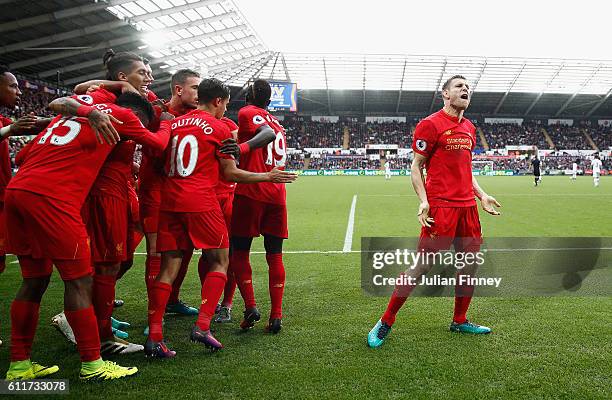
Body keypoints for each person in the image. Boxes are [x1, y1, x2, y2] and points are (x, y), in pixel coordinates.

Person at [4, 90, 170, 380]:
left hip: (18, 191)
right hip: (54, 198)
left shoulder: (73, 115)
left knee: (34, 280)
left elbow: (23, 154)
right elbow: (157, 142)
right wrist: (165, 122)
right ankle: (93, 365)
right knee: (80, 282)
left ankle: (19, 365)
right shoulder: (125, 116)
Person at [145, 78, 296, 357]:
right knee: (220, 260)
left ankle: (155, 336)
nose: (225, 110)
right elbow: (230, 173)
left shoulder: (173, 124)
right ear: (217, 101)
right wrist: (268, 175)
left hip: (169, 202)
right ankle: (203, 326)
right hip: (202, 201)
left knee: (168, 266)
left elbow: (157, 159)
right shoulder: (219, 127)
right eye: (225, 104)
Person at [367, 75, 501, 348]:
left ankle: (460, 320)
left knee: (470, 265)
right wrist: (423, 200)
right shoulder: (430, 125)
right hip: (441, 208)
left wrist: (482, 194)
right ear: (445, 94)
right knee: (422, 266)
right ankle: (385, 321)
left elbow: (466, 170)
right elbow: (416, 166)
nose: (465, 90)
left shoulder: (470, 128)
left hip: (468, 209)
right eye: (459, 86)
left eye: (468, 87)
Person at [139, 69, 203, 336]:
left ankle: (173, 300)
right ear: (179, 90)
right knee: (156, 252)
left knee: (184, 249)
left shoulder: (195, 118)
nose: (200, 94)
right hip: (155, 190)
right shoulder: (157, 111)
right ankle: (155, 315)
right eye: (196, 88)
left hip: (179, 192)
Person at [230, 79, 290, 334]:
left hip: (252, 190)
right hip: (277, 194)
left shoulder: (248, 112)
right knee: (274, 255)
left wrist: (240, 148)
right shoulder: (279, 122)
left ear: (248, 97)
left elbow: (265, 135)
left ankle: (251, 306)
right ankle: (276, 316)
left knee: (239, 252)